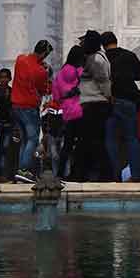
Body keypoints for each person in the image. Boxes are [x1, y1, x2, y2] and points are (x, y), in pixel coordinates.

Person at [103, 32, 140, 182]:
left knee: (110, 140)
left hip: (109, 102)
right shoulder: (129, 55)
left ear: (103, 45)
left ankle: (114, 176)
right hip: (128, 101)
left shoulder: (102, 58)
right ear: (116, 41)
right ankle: (137, 175)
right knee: (132, 139)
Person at [12, 40, 53, 183]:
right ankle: (24, 170)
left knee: (25, 140)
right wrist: (48, 73)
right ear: (44, 54)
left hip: (16, 105)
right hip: (29, 107)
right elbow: (45, 90)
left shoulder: (20, 59)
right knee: (33, 139)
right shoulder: (40, 71)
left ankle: (21, 172)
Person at [73, 31, 112, 182]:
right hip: (93, 103)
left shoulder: (95, 59)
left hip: (95, 104)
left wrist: (108, 97)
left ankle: (88, 174)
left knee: (89, 141)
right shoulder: (95, 58)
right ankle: (94, 174)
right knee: (92, 141)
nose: (81, 45)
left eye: (84, 42)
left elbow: (103, 81)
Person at [52, 46, 85, 180]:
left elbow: (56, 96)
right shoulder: (81, 71)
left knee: (67, 145)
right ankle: (78, 172)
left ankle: (60, 173)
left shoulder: (60, 74)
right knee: (81, 144)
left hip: (67, 113)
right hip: (81, 111)